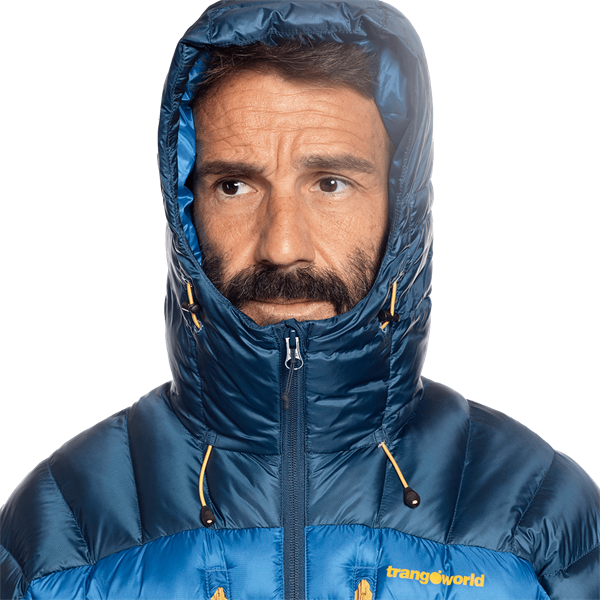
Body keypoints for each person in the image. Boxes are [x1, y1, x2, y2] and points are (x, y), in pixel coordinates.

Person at [1, 0, 598, 599]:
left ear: (401, 211)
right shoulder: (60, 535)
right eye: (235, 186)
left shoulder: (540, 522)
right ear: (186, 210)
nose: (283, 246)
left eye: (330, 183)